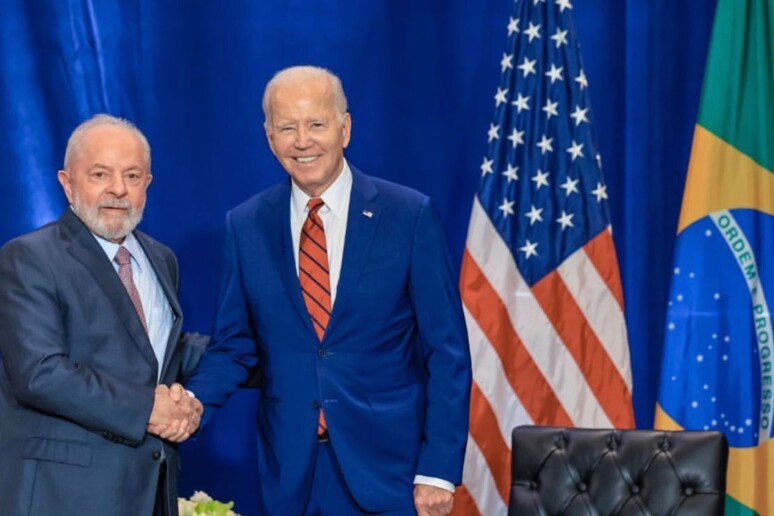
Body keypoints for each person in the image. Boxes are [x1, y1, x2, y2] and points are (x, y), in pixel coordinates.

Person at [185, 66, 472, 515]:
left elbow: (447, 352)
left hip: (391, 473)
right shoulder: (245, 225)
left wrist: (437, 469)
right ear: (269, 138)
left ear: (345, 128)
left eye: (316, 124)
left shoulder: (408, 216)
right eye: (287, 128)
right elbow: (234, 346)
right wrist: (189, 403)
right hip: (292, 473)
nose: (303, 141)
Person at [0, 114, 205, 516]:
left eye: (132, 176)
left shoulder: (162, 259)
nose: (117, 189)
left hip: (148, 490)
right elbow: (40, 372)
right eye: (100, 174)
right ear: (67, 182)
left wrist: (259, 354)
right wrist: (150, 407)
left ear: (147, 184)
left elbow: (157, 353)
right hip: (62, 496)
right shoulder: (28, 257)